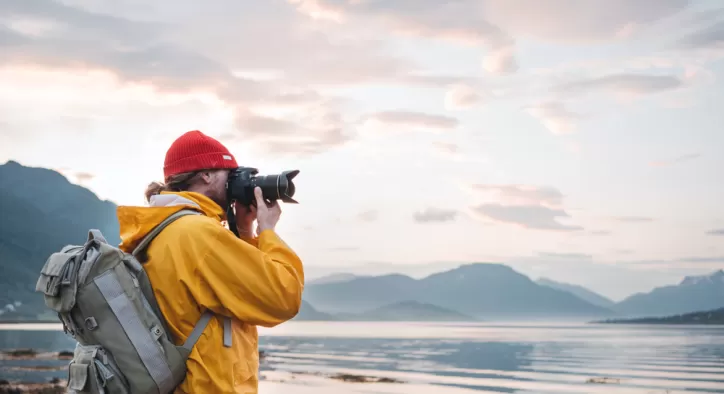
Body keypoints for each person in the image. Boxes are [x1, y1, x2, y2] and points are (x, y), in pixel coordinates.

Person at [116, 130, 304, 393]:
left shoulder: (157, 231)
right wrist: (268, 231)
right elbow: (283, 298)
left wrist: (245, 231)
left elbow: (239, 295)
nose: (237, 184)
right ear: (206, 175)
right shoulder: (200, 234)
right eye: (231, 174)